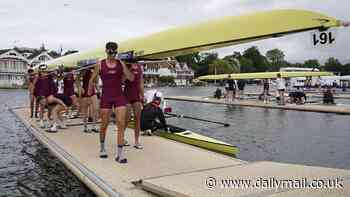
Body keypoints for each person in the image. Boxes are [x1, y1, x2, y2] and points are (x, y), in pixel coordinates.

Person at [88, 41, 134, 163]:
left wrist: (129, 67)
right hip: (106, 97)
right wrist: (90, 94)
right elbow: (91, 80)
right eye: (110, 52)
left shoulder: (121, 64)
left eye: (114, 52)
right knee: (104, 125)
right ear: (106, 51)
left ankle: (120, 155)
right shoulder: (100, 64)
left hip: (119, 96)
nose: (112, 54)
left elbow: (131, 78)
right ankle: (102, 148)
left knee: (121, 123)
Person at [124, 62, 144, 149]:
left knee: (137, 118)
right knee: (127, 118)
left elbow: (141, 82)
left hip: (136, 95)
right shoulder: (126, 65)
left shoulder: (139, 66)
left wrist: (142, 95)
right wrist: (129, 69)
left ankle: (136, 141)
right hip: (127, 95)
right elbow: (122, 80)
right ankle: (121, 136)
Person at [79, 68, 99, 133]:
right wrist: (80, 87)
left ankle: (94, 126)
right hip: (85, 92)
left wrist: (98, 91)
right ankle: (85, 127)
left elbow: (96, 82)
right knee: (85, 111)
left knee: (96, 108)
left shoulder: (94, 70)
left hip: (93, 92)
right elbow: (77, 80)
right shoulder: (84, 70)